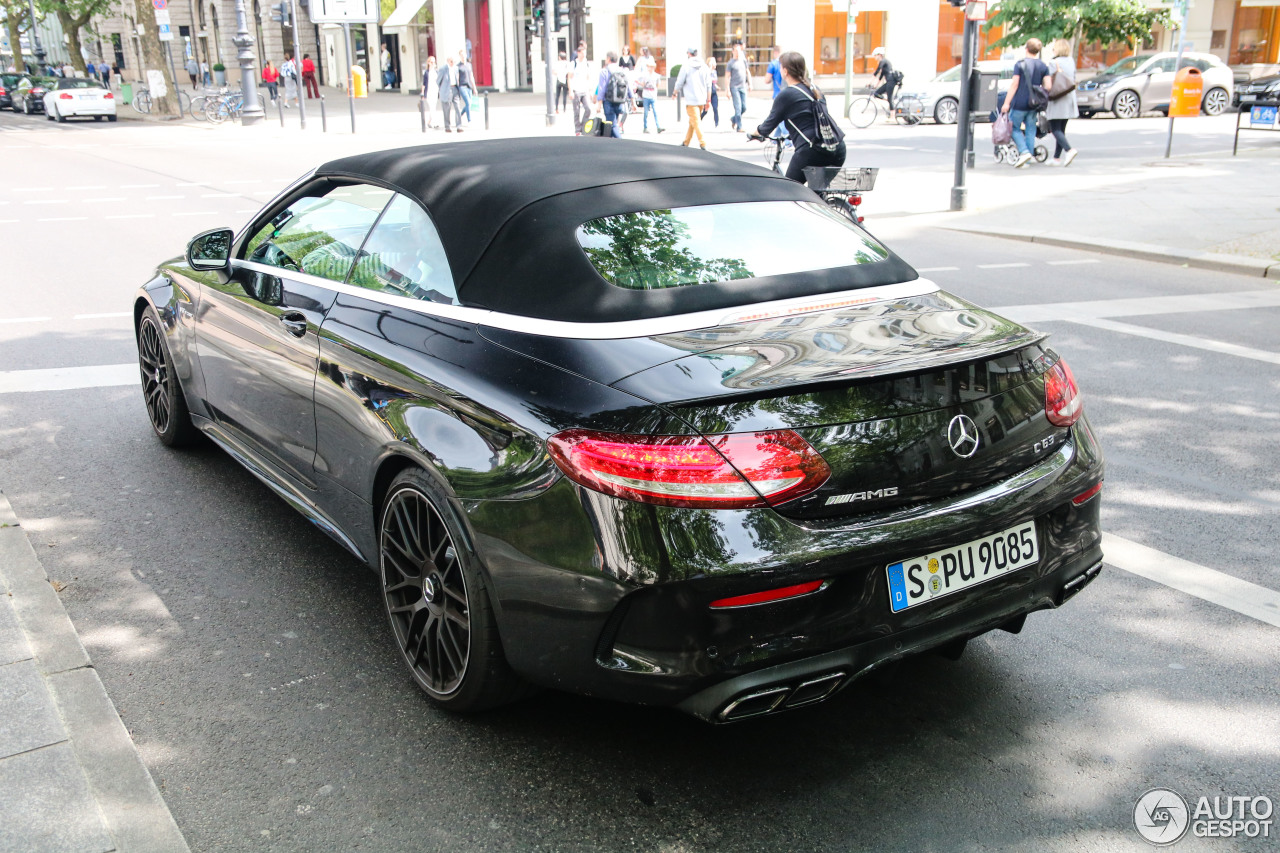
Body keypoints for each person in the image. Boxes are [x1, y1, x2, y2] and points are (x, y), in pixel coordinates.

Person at [755, 51, 845, 184]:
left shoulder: (786, 95)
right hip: (837, 148)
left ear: (785, 71)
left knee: (790, 189)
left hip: (814, 151)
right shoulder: (815, 89)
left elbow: (767, 127)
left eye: (780, 67)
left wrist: (753, 133)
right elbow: (813, 119)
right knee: (816, 194)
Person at [1000, 38, 1051, 168]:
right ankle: (1027, 159)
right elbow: (1048, 86)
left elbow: (1014, 85)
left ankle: (1024, 152)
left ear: (1026, 49)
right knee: (1030, 130)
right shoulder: (1043, 66)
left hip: (1020, 102)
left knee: (1013, 128)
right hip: (1034, 104)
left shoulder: (1020, 65)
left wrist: (1006, 103)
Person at [1044, 38, 1079, 167]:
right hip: (1069, 97)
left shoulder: (1054, 62)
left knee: (1054, 128)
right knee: (1061, 129)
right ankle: (1056, 158)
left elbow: (1048, 81)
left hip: (1058, 98)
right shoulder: (1071, 61)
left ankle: (1069, 150)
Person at [674, 47, 710, 149]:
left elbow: (680, 81)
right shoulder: (704, 66)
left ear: (689, 54)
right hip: (701, 99)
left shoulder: (686, 66)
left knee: (696, 122)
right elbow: (709, 85)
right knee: (693, 121)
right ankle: (686, 142)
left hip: (691, 99)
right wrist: (708, 99)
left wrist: (675, 92)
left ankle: (703, 143)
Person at [594, 51, 627, 138]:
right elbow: (627, 85)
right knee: (614, 121)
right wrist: (632, 100)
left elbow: (602, 88)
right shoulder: (621, 71)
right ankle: (614, 146)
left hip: (608, 102)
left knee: (612, 125)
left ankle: (622, 144)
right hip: (620, 101)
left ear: (608, 59)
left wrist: (599, 103)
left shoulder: (604, 72)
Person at [568, 45, 594, 135]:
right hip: (576, 89)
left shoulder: (587, 63)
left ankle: (583, 125)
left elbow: (588, 77)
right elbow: (570, 77)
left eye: (585, 53)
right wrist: (570, 90)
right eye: (582, 53)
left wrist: (590, 90)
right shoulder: (573, 64)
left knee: (588, 109)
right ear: (578, 53)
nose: (584, 55)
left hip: (585, 89)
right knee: (576, 111)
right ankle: (577, 129)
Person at [727, 43, 751, 132]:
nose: (738, 52)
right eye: (736, 50)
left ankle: (734, 119)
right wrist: (727, 90)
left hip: (742, 86)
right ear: (733, 51)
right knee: (738, 108)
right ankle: (739, 127)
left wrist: (750, 84)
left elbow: (747, 72)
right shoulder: (730, 63)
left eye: (739, 51)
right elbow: (727, 77)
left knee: (744, 107)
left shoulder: (743, 61)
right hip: (734, 87)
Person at [872, 47, 899, 114]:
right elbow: (881, 76)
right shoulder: (883, 62)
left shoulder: (883, 61)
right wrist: (875, 85)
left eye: (875, 55)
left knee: (890, 98)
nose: (874, 57)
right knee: (876, 93)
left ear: (880, 55)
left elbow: (877, 71)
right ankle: (890, 102)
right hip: (888, 82)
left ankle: (892, 116)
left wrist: (870, 82)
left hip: (891, 81)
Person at [638, 60, 663, 133]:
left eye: (652, 67)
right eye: (649, 67)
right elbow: (642, 84)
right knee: (646, 112)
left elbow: (658, 85)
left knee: (655, 112)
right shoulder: (645, 76)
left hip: (653, 96)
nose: (650, 68)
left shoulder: (656, 76)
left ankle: (658, 127)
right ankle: (645, 127)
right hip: (646, 96)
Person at [437, 55, 460, 132]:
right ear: (448, 61)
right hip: (447, 90)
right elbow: (438, 81)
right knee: (447, 109)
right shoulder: (443, 69)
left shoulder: (456, 68)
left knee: (457, 108)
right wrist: (442, 90)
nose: (452, 63)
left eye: (453, 61)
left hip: (455, 89)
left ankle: (459, 126)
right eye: (451, 61)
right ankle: (447, 126)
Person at [456, 50, 473, 125]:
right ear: (460, 56)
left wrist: (474, 88)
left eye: (464, 55)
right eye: (461, 55)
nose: (463, 57)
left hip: (469, 86)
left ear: (466, 55)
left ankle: (459, 115)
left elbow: (471, 76)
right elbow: (457, 78)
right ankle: (469, 120)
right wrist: (457, 89)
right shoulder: (458, 66)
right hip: (462, 86)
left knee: (469, 104)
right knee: (468, 102)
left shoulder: (469, 65)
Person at [702, 56, 720, 128]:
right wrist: (709, 67)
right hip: (707, 93)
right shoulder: (706, 71)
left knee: (715, 108)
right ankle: (698, 120)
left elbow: (714, 81)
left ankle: (717, 122)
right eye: (713, 62)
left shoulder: (714, 72)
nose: (715, 64)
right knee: (705, 110)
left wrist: (716, 86)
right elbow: (706, 79)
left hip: (713, 92)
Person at [421, 56, 440, 127]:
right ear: (428, 63)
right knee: (432, 107)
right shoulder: (426, 72)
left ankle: (429, 122)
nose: (433, 63)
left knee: (433, 107)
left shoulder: (436, 71)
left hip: (435, 91)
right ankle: (435, 123)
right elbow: (424, 83)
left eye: (434, 62)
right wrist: (422, 93)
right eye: (431, 62)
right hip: (429, 92)